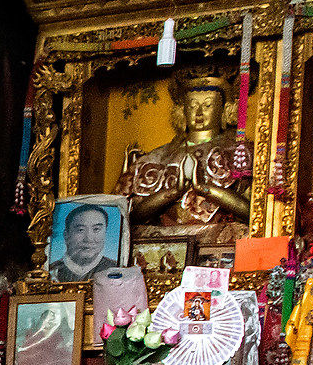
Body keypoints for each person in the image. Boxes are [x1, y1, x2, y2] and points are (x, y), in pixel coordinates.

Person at [120, 67, 249, 243]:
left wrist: (204, 188)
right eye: (192, 105)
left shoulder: (240, 154)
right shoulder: (155, 158)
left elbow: (255, 213)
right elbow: (122, 220)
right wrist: (173, 192)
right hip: (162, 244)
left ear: (225, 110)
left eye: (208, 105)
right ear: (182, 110)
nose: (199, 113)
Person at [50, 202, 115, 282]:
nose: (89, 239)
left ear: (105, 233)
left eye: (96, 229)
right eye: (81, 230)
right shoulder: (50, 271)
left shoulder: (115, 269)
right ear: (66, 235)